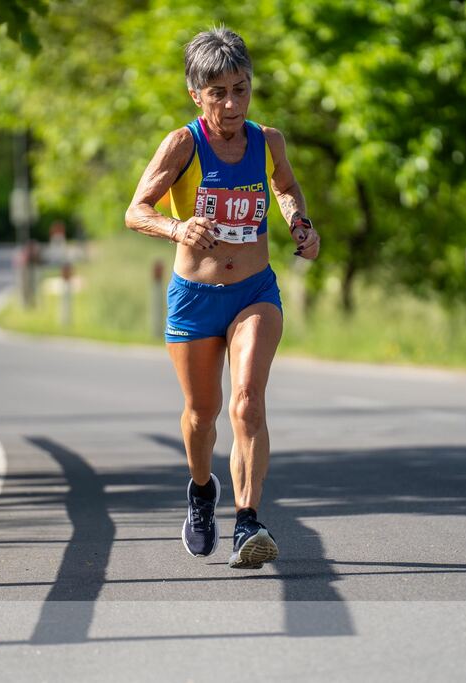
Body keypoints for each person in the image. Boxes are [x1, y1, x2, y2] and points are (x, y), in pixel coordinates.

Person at [124, 26, 320, 569]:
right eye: (218, 93)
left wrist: (300, 223)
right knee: (201, 414)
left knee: (247, 401)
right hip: (195, 297)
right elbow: (136, 210)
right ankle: (201, 489)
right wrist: (177, 228)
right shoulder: (182, 144)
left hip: (255, 290)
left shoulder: (267, 140)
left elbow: (285, 186)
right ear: (196, 94)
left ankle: (249, 522)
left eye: (241, 89)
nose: (232, 104)